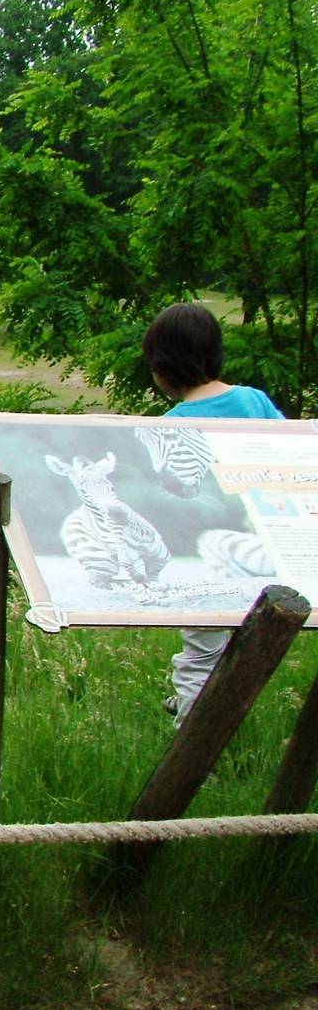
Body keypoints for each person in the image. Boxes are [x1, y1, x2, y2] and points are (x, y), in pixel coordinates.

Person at [141, 302, 284, 724]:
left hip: (211, 556)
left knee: (201, 650)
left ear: (162, 368)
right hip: (266, 542)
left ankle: (192, 733)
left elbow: (171, 492)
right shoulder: (254, 401)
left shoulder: (171, 424)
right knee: (247, 639)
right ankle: (217, 713)